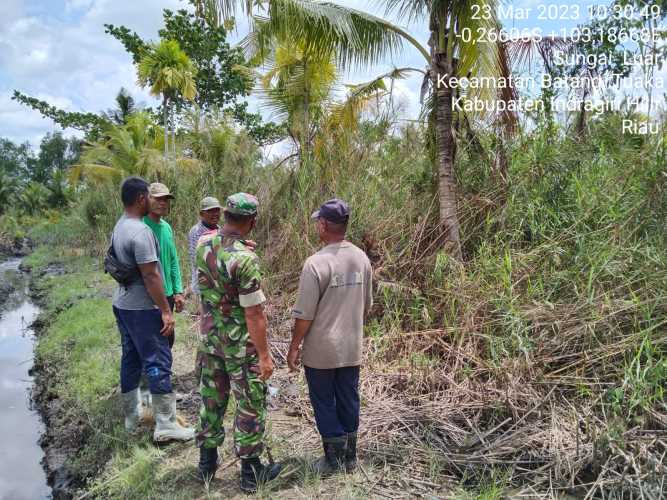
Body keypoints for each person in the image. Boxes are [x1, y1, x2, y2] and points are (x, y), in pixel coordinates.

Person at [195, 193, 282, 491]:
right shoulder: (246, 259)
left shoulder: (202, 243)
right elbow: (254, 313)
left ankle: (206, 464)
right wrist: (264, 355)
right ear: (252, 222)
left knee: (211, 399)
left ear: (225, 215)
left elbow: (218, 257)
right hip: (238, 347)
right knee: (249, 404)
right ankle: (250, 474)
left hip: (209, 340)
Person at [287, 199, 373, 475]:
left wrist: (294, 347)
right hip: (351, 347)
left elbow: (305, 316)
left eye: (317, 222)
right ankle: (350, 458)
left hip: (321, 351)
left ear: (323, 225)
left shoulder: (315, 264)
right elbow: (367, 305)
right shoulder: (361, 258)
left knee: (324, 400)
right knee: (349, 397)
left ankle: (332, 459)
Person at [111, 176, 194, 442]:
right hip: (143, 308)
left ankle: (132, 416)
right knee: (158, 360)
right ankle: (166, 424)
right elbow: (151, 276)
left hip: (123, 303)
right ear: (140, 199)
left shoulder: (120, 226)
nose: (153, 200)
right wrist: (165, 311)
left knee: (131, 358)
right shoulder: (141, 231)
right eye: (149, 195)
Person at [143, 182, 184, 349]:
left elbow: (173, 260)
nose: (163, 202)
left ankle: (162, 372)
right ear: (147, 199)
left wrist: (178, 291)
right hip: (148, 295)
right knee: (153, 340)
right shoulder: (141, 226)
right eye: (158, 198)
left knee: (168, 338)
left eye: (166, 199)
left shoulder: (166, 227)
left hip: (167, 294)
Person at [187, 197, 222, 297]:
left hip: (218, 285)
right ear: (202, 214)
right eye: (210, 211)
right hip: (204, 286)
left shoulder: (219, 229)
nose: (215, 214)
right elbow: (196, 260)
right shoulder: (197, 232)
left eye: (217, 210)